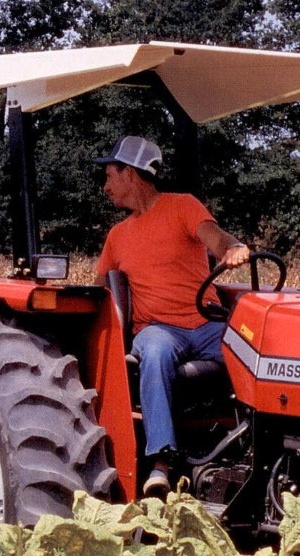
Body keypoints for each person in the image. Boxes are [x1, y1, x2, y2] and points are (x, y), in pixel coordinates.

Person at [93, 136, 250, 497]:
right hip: (159, 330)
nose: (106, 187)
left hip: (205, 323)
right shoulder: (117, 236)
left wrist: (234, 249)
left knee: (251, 344)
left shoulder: (182, 207)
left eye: (109, 176)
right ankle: (161, 463)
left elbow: (217, 239)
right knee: (156, 351)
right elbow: (99, 289)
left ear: (129, 173)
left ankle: (255, 442)